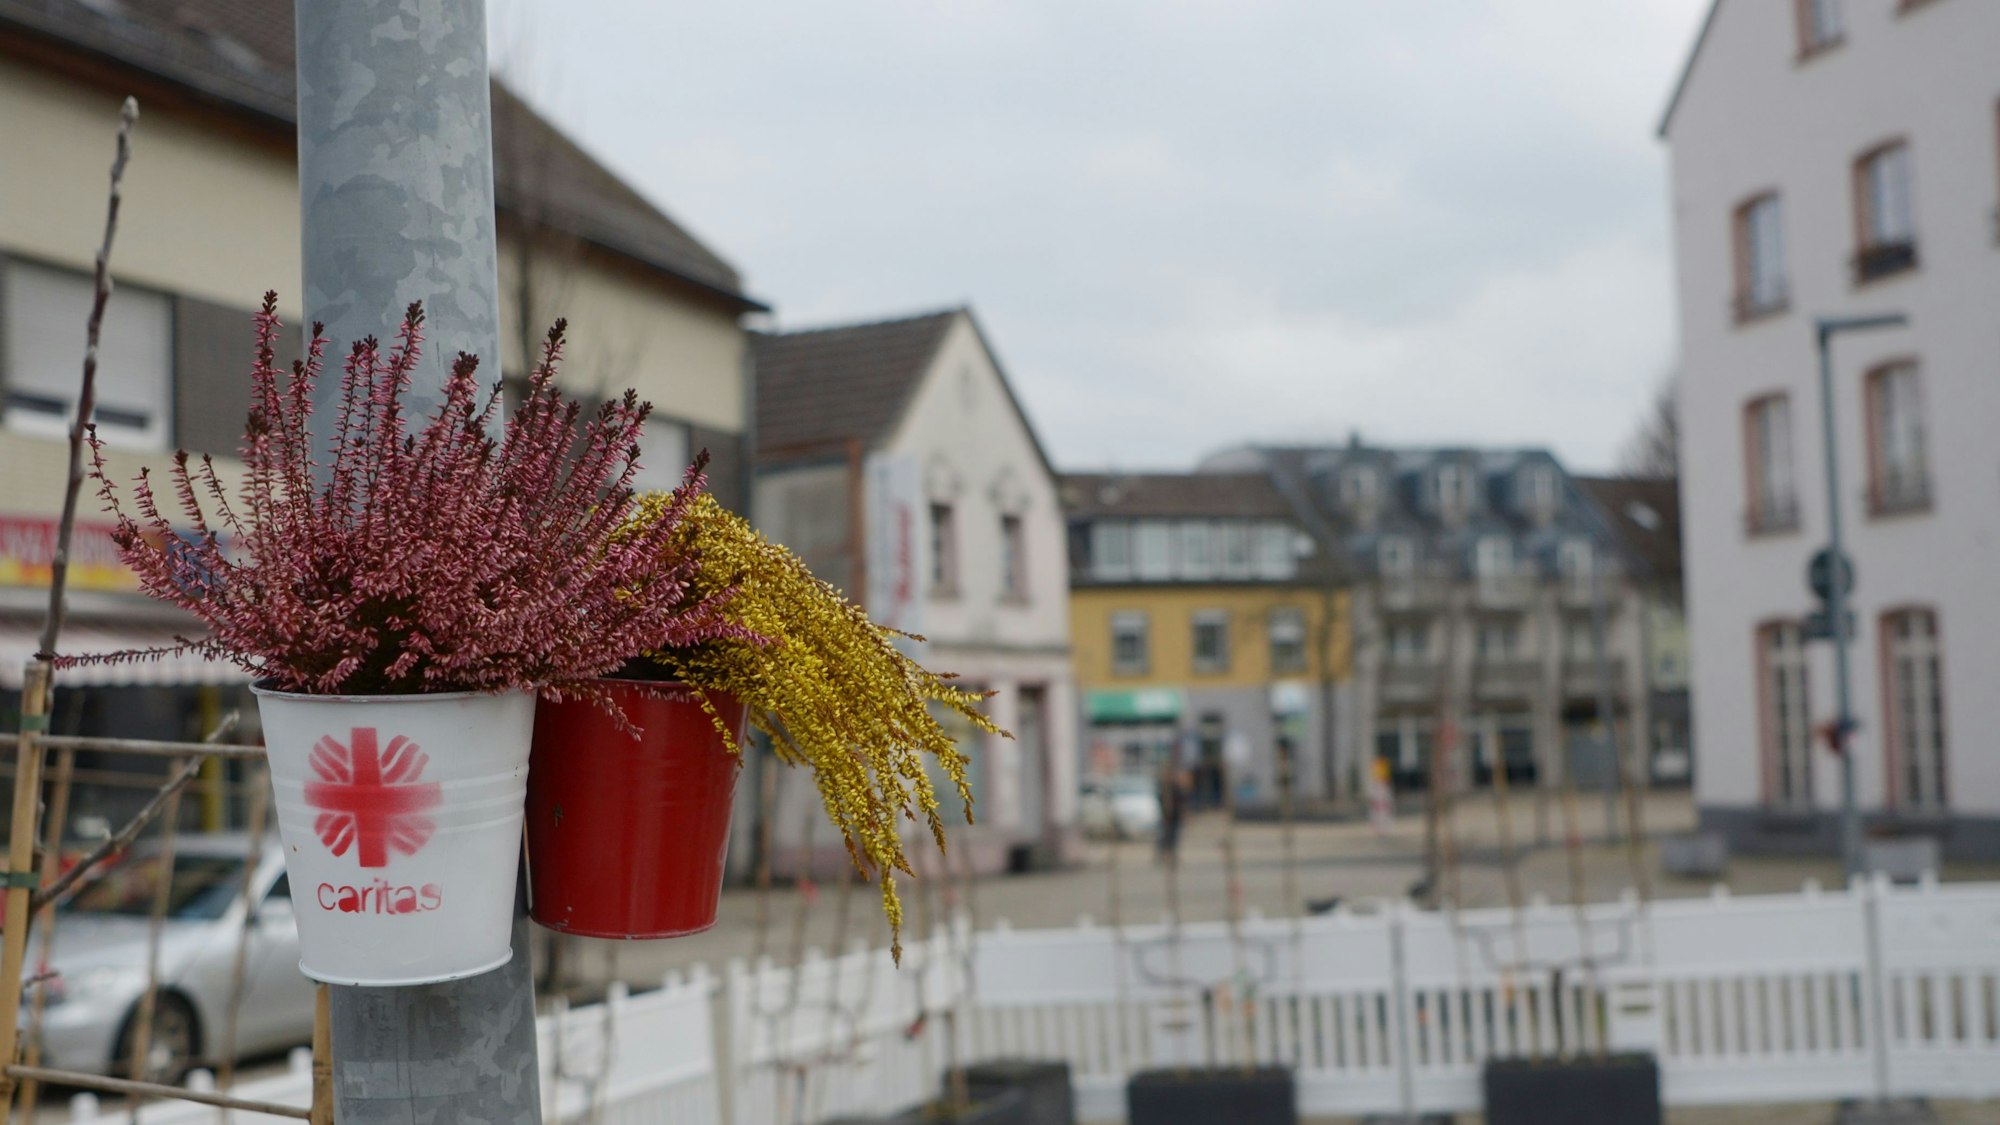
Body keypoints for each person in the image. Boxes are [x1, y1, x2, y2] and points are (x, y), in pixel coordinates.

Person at [1156, 764, 1188, 864]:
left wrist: (1183, 813)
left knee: (1174, 837)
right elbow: (1160, 801)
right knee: (1165, 837)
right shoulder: (1163, 787)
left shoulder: (1176, 787)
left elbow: (1182, 801)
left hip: (1175, 817)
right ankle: (1164, 855)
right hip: (1166, 817)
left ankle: (1171, 856)